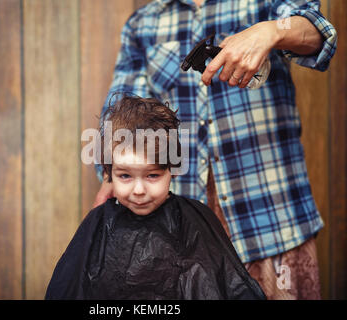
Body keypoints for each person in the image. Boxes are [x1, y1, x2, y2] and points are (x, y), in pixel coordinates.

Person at [93, 0, 338, 299]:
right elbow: (120, 118)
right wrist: (113, 178)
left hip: (272, 218)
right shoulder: (143, 24)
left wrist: (271, 32)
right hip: (183, 233)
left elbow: (318, 32)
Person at [45, 96, 266, 299]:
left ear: (172, 168)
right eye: (125, 175)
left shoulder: (196, 221)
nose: (139, 190)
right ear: (108, 172)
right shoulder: (97, 225)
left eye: (152, 175)